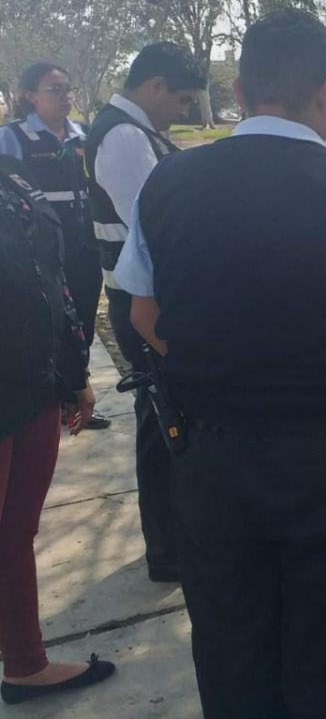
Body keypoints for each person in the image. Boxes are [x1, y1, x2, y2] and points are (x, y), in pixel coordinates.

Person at [114, 8, 326, 719]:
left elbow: (142, 317)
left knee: (231, 628)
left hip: (208, 450)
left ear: (239, 91)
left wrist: (219, 363)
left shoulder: (166, 184)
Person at [85, 41, 207, 583]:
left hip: (148, 294)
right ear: (154, 85)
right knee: (165, 426)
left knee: (169, 421)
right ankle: (169, 551)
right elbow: (160, 227)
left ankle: (177, 540)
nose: (181, 113)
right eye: (180, 100)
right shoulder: (123, 137)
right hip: (145, 301)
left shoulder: (129, 130)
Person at [1, 154, 115, 705]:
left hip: (33, 383)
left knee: (14, 532)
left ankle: (25, 664)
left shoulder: (14, 178)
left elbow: (54, 281)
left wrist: (75, 373)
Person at [0, 63, 108, 430]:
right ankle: (55, 402)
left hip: (83, 245)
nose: (66, 97)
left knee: (83, 323)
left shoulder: (82, 135)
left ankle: (76, 393)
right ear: (31, 95)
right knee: (52, 323)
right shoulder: (13, 137)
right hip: (40, 252)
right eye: (55, 89)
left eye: (68, 88)